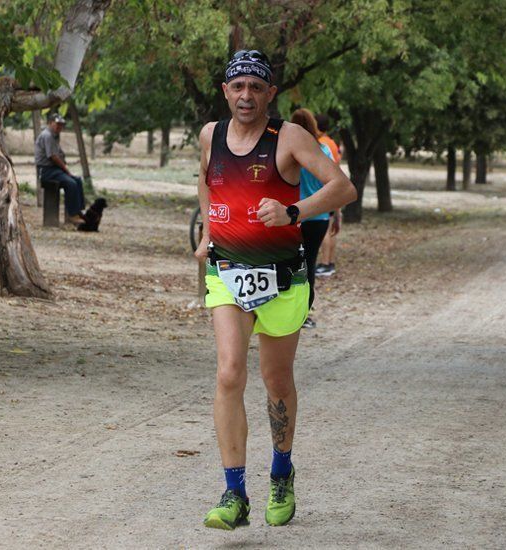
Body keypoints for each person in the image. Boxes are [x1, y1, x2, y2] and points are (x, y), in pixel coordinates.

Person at [194, 50, 356, 530]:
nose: (246, 95)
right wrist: (208, 231)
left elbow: (342, 187)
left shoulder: (289, 137)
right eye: (237, 86)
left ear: (270, 94)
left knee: (276, 380)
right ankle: (234, 492)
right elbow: (205, 181)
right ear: (225, 91)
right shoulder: (211, 135)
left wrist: (294, 212)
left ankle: (282, 471)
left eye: (256, 87)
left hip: (283, 277)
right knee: (228, 374)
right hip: (227, 271)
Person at [289, 108, 333, 329]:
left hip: (293, 216)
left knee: (292, 263)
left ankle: (289, 310)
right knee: (310, 263)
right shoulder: (324, 150)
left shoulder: (290, 151)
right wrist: (337, 215)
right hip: (320, 216)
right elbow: (333, 186)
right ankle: (304, 313)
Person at [34, 111, 85, 224]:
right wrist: (66, 170)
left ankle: (78, 211)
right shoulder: (47, 136)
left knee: (77, 180)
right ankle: (72, 215)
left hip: (54, 169)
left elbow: (59, 154)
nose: (59, 127)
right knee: (71, 183)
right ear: (50, 123)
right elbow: (53, 157)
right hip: (46, 171)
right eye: (57, 124)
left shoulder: (55, 136)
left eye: (61, 124)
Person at [314, 113, 341, 278]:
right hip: (333, 189)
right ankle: (330, 262)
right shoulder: (332, 142)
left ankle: (324, 264)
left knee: (324, 230)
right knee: (331, 227)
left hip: (325, 189)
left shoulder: (322, 144)